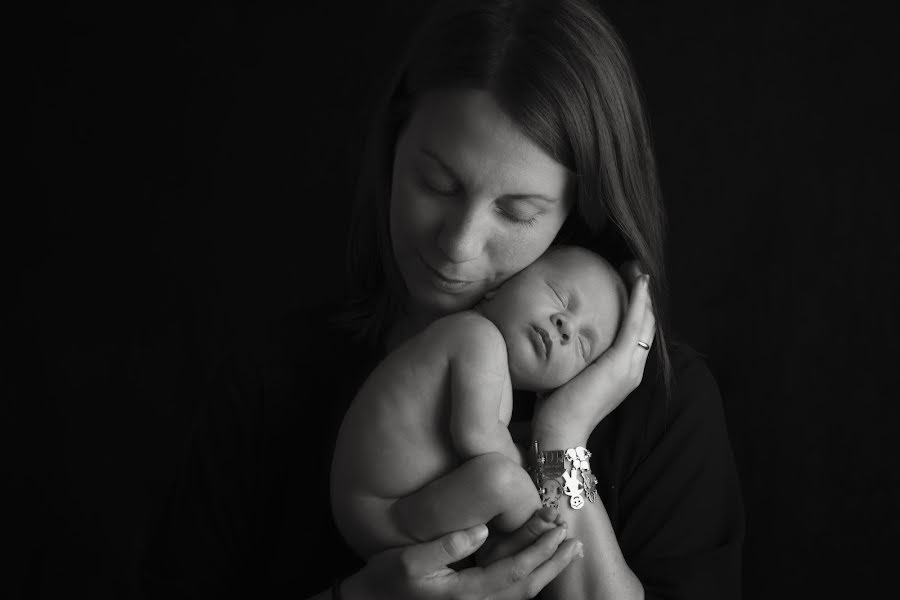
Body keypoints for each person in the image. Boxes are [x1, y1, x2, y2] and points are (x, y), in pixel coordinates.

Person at [140, 0, 744, 599]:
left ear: (576, 213)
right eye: (437, 183)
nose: (458, 244)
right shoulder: (274, 382)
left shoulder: (664, 413)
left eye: (516, 212)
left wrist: (562, 440)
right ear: (392, 148)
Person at [332, 245, 626, 559]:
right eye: (558, 296)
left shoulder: (492, 366)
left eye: (583, 345)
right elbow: (477, 436)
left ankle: (506, 545)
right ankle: (538, 538)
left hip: (397, 513)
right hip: (383, 513)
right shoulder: (476, 336)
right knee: (504, 480)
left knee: (500, 479)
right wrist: (536, 476)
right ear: (495, 289)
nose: (566, 325)